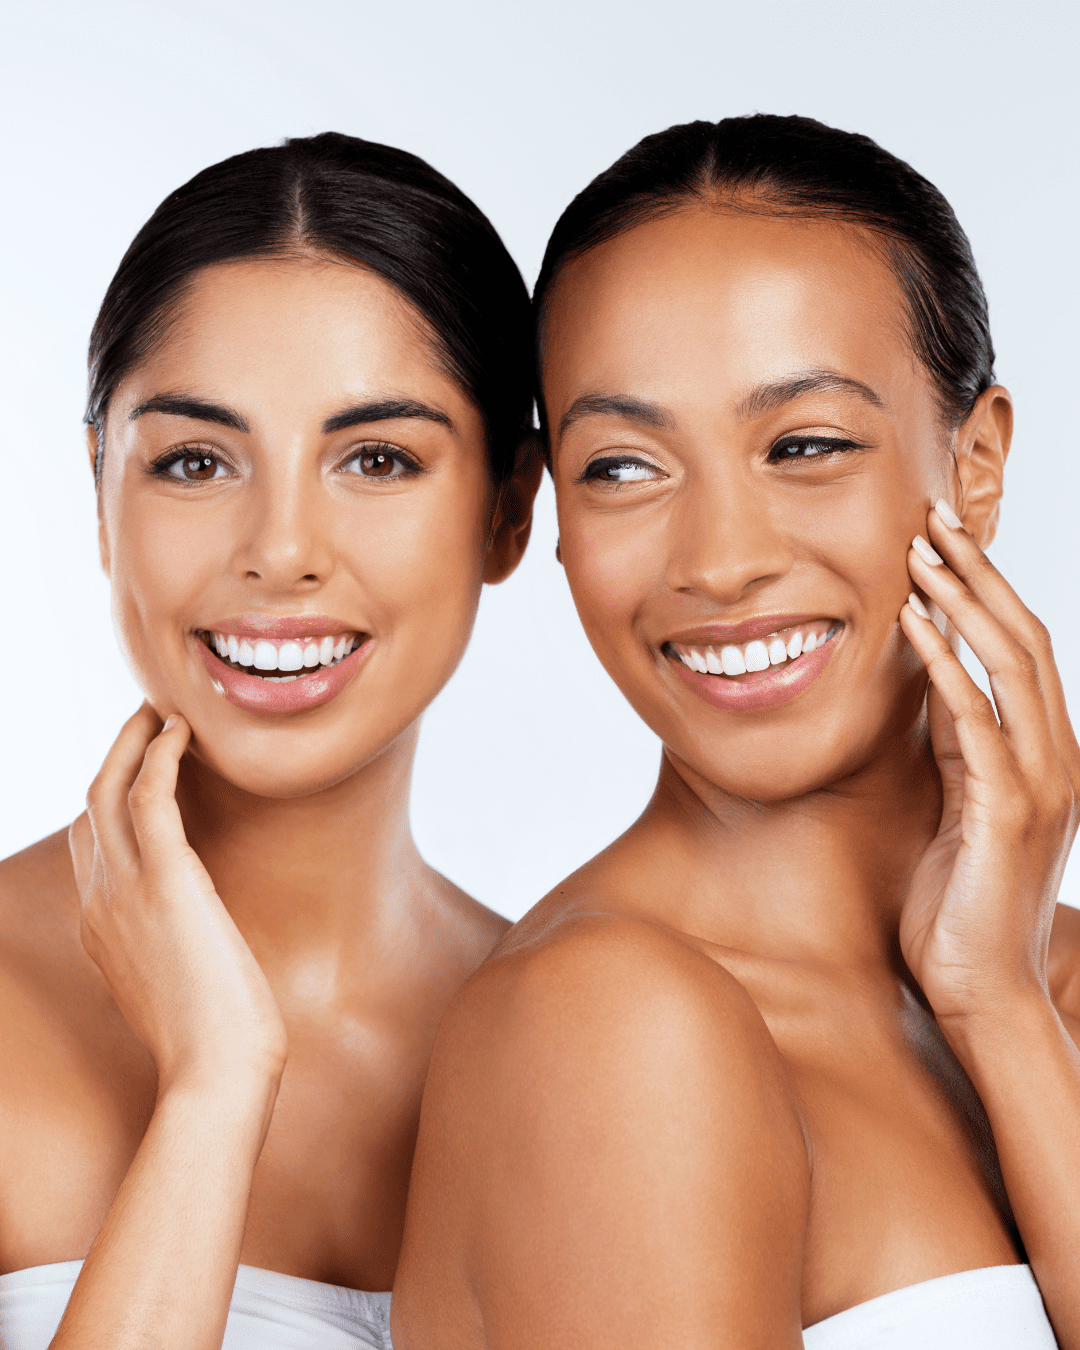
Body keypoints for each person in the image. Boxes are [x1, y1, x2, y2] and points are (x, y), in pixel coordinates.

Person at [393, 115, 1080, 1349]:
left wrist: (1003, 1011)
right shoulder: (604, 1028)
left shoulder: (1045, 982)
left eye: (805, 445)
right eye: (622, 466)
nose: (719, 562)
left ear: (975, 464)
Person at [0, 130, 540, 1349]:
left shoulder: (587, 1029)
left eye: (378, 459)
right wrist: (213, 1084)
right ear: (101, 492)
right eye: (196, 461)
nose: (282, 549)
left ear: (508, 511)